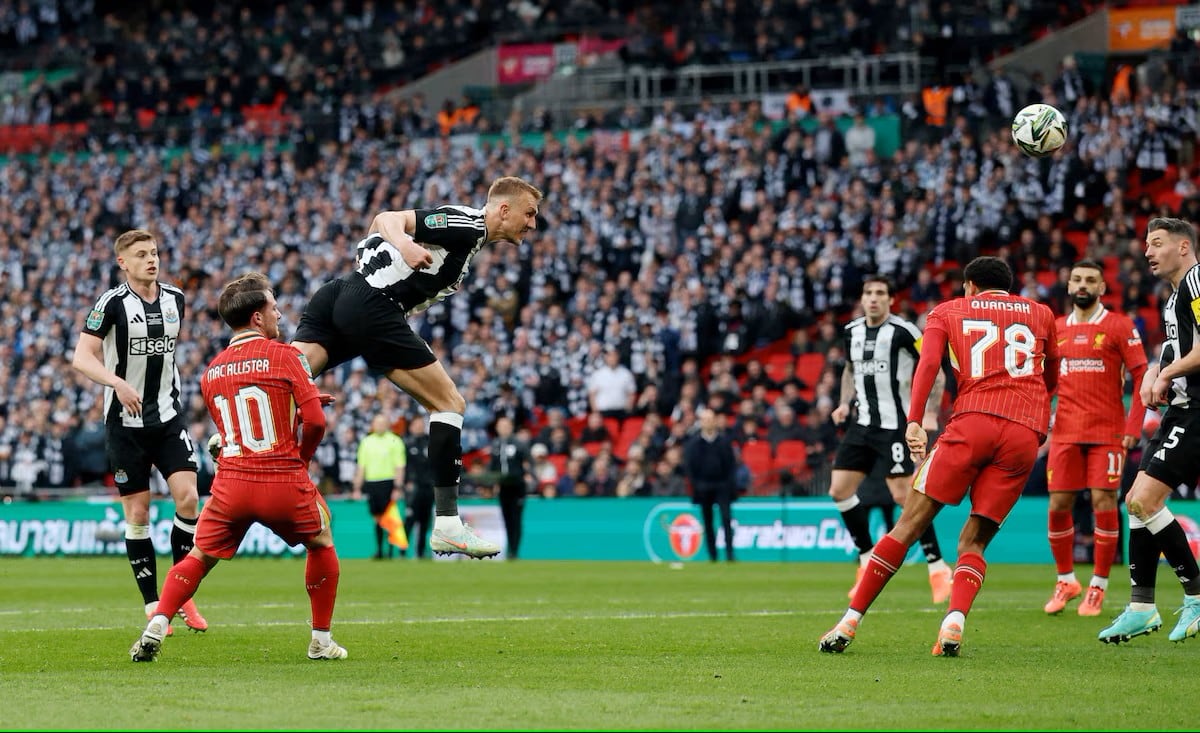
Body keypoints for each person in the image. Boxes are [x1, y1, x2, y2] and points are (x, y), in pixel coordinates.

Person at [292, 176, 544, 559]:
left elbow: (383, 230)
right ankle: (447, 524)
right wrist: (407, 245)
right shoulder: (467, 225)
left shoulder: (470, 239)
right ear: (503, 210)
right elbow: (388, 217)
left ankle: (232, 442)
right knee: (449, 403)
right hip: (374, 304)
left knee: (285, 378)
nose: (532, 224)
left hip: (340, 292)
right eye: (529, 214)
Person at [819, 256, 1059, 657]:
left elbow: (929, 364)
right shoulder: (1041, 313)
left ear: (969, 286)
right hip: (1023, 432)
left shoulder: (947, 311)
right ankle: (954, 621)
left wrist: (915, 421)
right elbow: (1051, 373)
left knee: (908, 525)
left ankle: (850, 620)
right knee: (974, 541)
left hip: (972, 423)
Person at [130, 272, 345, 662]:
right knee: (322, 542)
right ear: (258, 318)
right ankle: (321, 640)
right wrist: (302, 458)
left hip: (232, 482)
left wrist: (290, 411)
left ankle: (157, 623)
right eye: (274, 307)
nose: (279, 313)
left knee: (199, 556)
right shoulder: (288, 356)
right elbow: (316, 423)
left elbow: (242, 426)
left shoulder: (211, 372)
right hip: (281, 478)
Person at [71, 229, 207, 634]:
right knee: (139, 514)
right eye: (142, 254)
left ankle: (180, 595)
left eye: (155, 252)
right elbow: (82, 357)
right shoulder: (111, 304)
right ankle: (153, 606)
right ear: (123, 263)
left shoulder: (175, 299)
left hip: (166, 418)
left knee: (188, 498)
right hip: (124, 425)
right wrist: (116, 382)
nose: (152, 259)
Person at [1099, 218, 1200, 644]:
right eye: (1146, 244)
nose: (1147, 252)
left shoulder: (1197, 281)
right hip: (1179, 409)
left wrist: (1166, 373)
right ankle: (1142, 607)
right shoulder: (1175, 296)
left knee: (1143, 500)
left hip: (1197, 409)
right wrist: (1156, 370)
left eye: (1156, 243)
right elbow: (1178, 349)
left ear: (1183, 246)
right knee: (1135, 502)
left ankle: (1196, 596)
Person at [830, 275, 952, 603]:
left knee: (904, 497)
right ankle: (866, 557)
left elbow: (935, 369)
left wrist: (929, 413)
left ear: (890, 299)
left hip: (893, 426)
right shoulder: (851, 331)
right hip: (861, 425)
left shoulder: (905, 331)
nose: (873, 298)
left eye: (880, 293)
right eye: (868, 292)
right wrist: (844, 403)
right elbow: (849, 370)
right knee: (839, 490)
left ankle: (938, 567)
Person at [1043, 260, 1148, 617]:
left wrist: (1134, 428)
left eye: (1090, 280)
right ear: (1068, 284)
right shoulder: (1055, 329)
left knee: (1104, 500)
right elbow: (1048, 384)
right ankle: (1066, 580)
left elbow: (1142, 376)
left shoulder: (1119, 326)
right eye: (1077, 279)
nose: (1083, 285)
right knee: (1058, 504)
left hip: (1106, 432)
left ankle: (1098, 586)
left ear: (1103, 288)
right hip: (1066, 433)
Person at [683, 408, 738, 562]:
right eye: (705, 419)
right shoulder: (694, 444)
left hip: (722, 486)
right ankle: (712, 555)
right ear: (701, 422)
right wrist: (697, 485)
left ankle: (729, 554)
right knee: (707, 521)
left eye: (710, 419)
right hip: (703, 486)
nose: (708, 422)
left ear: (715, 421)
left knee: (726, 519)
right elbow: (690, 467)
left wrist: (728, 484)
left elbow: (731, 465)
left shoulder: (723, 442)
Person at [351, 413, 407, 559]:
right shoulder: (366, 442)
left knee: (389, 518)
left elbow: (400, 466)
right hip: (372, 483)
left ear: (387, 424)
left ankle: (390, 551)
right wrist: (357, 487)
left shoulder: (395, 440)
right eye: (377, 423)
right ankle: (379, 550)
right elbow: (361, 467)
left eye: (383, 423)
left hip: (388, 482)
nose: (380, 426)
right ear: (373, 425)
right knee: (377, 518)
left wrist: (398, 487)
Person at [488, 414, 531, 559]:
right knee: (506, 519)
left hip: (517, 486)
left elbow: (528, 463)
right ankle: (510, 550)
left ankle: (514, 550)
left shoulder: (519, 444)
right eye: (501, 426)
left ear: (511, 427)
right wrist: (491, 482)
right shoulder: (495, 444)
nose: (504, 429)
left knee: (516, 518)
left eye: (506, 426)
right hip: (503, 487)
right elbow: (493, 466)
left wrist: (527, 475)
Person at [402, 414, 436, 559]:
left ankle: (420, 552)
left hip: (428, 488)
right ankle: (402, 550)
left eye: (421, 424)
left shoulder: (430, 442)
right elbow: (402, 466)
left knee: (424, 521)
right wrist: (406, 482)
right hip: (413, 488)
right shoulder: (406, 443)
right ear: (411, 427)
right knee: (410, 519)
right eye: (416, 425)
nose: (419, 427)